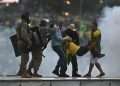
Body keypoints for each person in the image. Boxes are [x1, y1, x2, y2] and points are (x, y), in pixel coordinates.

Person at [16, 12, 32, 78]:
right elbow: (23, 34)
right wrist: (29, 41)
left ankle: (20, 71)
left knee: (23, 57)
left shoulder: (19, 24)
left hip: (20, 42)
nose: (29, 18)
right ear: (26, 18)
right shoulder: (24, 24)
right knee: (25, 58)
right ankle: (24, 73)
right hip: (23, 42)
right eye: (28, 17)